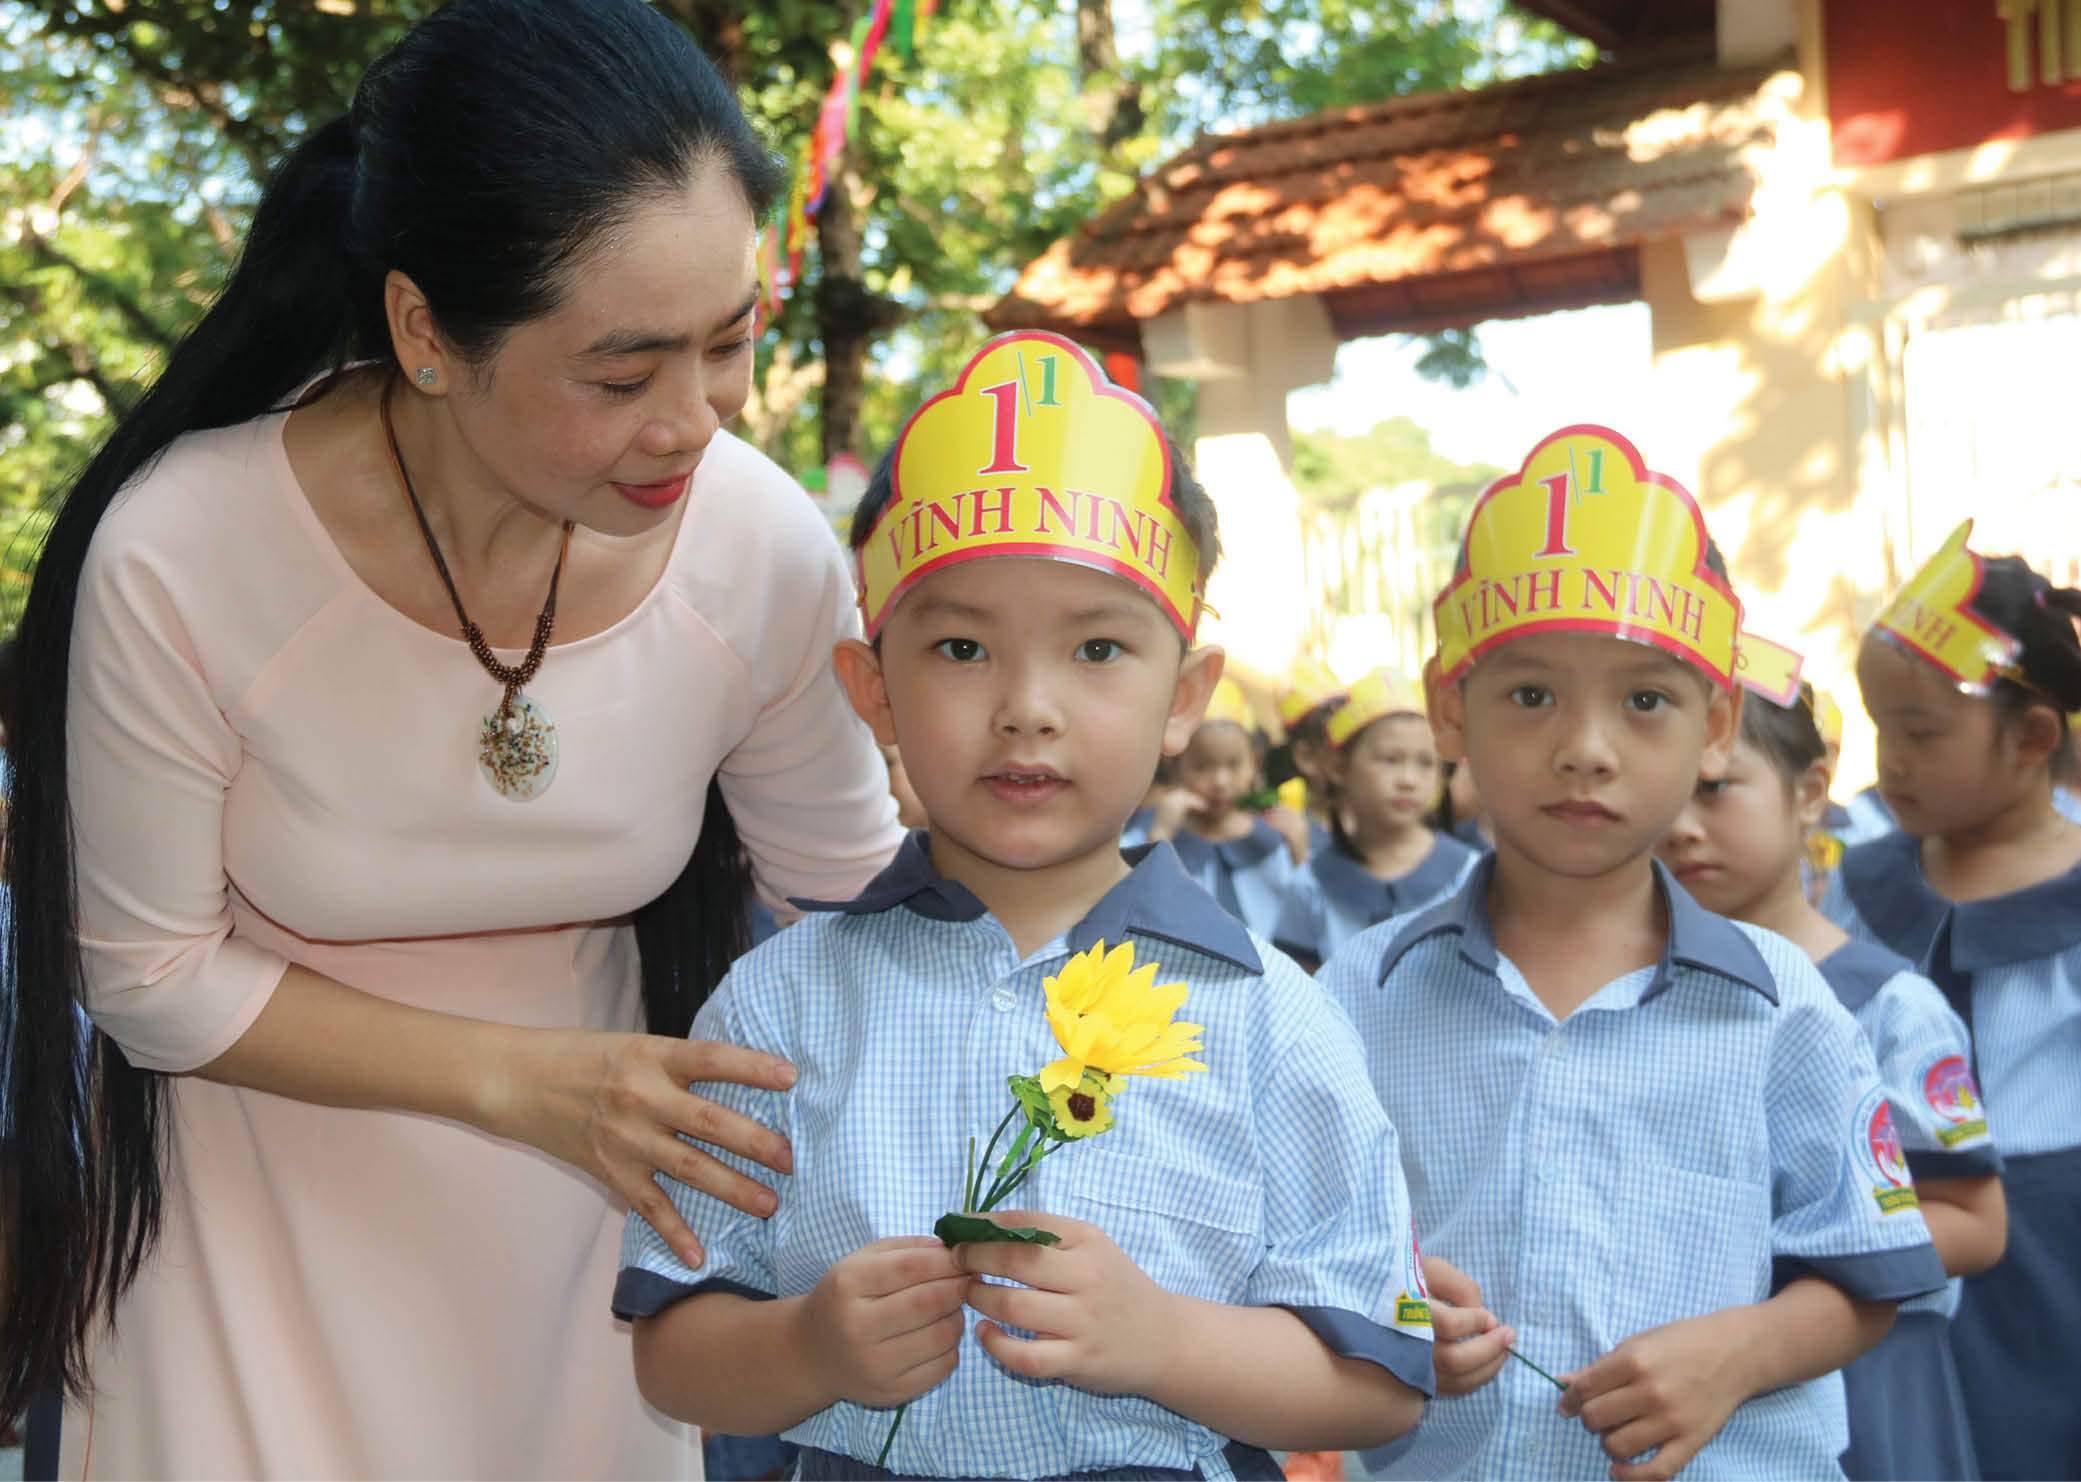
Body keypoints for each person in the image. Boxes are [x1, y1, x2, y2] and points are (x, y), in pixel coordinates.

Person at [0, 0, 904, 1471]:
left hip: (598, 1265)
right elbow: (148, 975)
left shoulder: (760, 547)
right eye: (622, 374)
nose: (693, 421)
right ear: (426, 332)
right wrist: (530, 1082)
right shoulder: (189, 545)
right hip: (247, 1259)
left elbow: (855, 910)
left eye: (730, 342)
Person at [617, 332, 1435, 1480]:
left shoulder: (1265, 1017)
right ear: (872, 690)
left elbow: (1377, 1380)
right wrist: (806, 1343)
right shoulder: (779, 1005)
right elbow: (672, 1353)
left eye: (1098, 648)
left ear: (1183, 699)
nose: (1027, 708)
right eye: (959, 647)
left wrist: (1163, 1339)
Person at [1321, 425, 1946, 1480]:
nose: (1585, 747)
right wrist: (1382, 1309)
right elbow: (1306, 1258)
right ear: (1445, 712)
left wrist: (1740, 1353)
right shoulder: (1358, 994)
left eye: (1643, 701)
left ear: (1714, 726)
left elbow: (1869, 1269)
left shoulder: (1780, 1003)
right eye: (1528, 695)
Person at [1658, 642, 2006, 1481]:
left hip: (1868, 1376)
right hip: (1702, 1386)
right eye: (1663, 794)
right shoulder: (1649, 997)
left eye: (1713, 788)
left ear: (1809, 792)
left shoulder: (1887, 1005)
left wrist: (1802, 1251)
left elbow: (1973, 1219)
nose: (1679, 825)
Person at [1823, 522, 2081, 1481]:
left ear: (2032, 737)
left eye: (1920, 732)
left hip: (2053, 1239)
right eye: (1879, 725)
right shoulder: (1859, 882)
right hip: (1891, 1221)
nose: (1890, 760)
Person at [1272, 668, 1476, 973]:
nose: (1408, 780)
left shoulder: (1469, 875)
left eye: (1424, 763)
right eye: (1390, 760)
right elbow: (1296, 988)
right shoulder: (1310, 886)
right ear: (1339, 767)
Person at [1129, 686, 1300, 939]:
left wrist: (1299, 849)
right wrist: (1161, 833)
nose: (1220, 781)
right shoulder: (1148, 830)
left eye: (1234, 765)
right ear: (1176, 768)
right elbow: (1133, 902)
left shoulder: (1274, 839)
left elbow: (1303, 918)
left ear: (1255, 763)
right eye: (1203, 766)